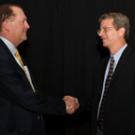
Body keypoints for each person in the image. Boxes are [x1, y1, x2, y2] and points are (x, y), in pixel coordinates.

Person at [0, 3, 79, 135]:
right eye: (23, 21)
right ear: (6, 24)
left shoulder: (11, 53)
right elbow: (26, 97)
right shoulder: (2, 56)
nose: (28, 26)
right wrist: (63, 105)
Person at [91, 12, 135, 135]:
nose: (100, 33)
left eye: (105, 29)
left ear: (121, 31)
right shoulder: (102, 64)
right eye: (99, 29)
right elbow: (97, 98)